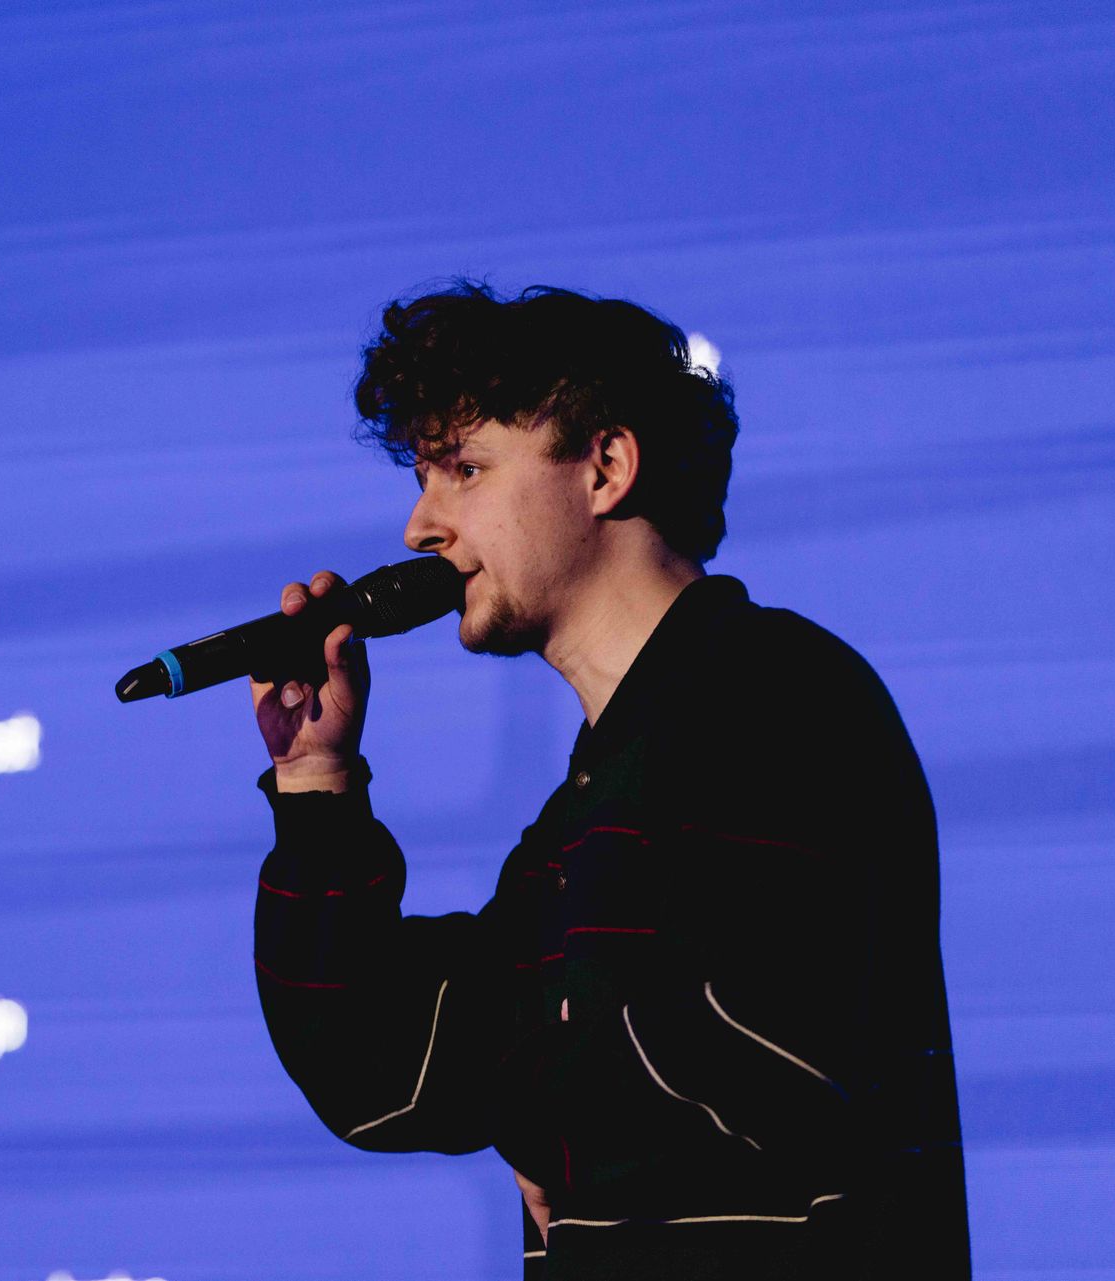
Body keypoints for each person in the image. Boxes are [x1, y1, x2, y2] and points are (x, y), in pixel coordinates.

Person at [246, 282, 969, 1279]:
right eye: (422, 477)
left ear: (606, 468)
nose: (420, 525)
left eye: (464, 469)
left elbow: (772, 1033)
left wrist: (537, 1111)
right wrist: (316, 779)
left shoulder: (777, 692)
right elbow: (384, 1071)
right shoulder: (586, 811)